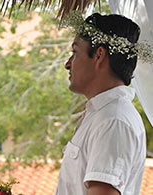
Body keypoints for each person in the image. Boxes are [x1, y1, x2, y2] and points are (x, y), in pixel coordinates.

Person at [55, 12, 147, 195]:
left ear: (99, 55)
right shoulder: (102, 115)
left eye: (74, 52)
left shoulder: (113, 120)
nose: (67, 64)